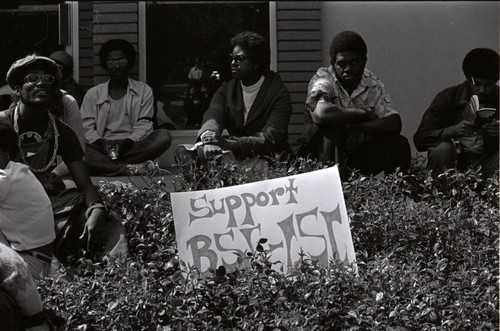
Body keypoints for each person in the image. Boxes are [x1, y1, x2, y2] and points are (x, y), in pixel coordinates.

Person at [0, 54, 128, 264]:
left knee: (107, 220)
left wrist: (96, 208)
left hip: (47, 201)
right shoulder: (2, 124)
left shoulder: (62, 132)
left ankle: (118, 279)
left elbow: (85, 184)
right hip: (7, 205)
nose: (41, 82)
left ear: (54, 91)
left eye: (48, 79)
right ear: (17, 88)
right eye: (32, 78)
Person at [295, 31, 411, 177]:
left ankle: (397, 192)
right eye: (342, 64)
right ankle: (330, 190)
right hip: (319, 154)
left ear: (364, 61)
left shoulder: (371, 83)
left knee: (399, 144)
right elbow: (322, 114)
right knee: (333, 129)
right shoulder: (323, 79)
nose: (348, 69)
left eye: (354, 62)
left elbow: (394, 123)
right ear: (332, 64)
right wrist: (363, 115)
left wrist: (353, 126)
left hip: (355, 152)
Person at [175, 31, 293, 169]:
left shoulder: (278, 93)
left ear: (256, 63)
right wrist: (209, 137)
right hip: (234, 155)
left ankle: (221, 183)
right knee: (183, 152)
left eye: (239, 58)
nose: (233, 63)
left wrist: (230, 144)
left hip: (267, 157)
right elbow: (213, 115)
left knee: (251, 165)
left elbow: (268, 139)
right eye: (232, 58)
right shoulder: (227, 89)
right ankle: (208, 189)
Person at [81, 39, 172, 176]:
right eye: (111, 62)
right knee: (79, 149)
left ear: (129, 62)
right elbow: (86, 128)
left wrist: (127, 142)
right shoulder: (93, 94)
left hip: (133, 146)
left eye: (121, 61)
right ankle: (129, 168)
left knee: (163, 136)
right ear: (106, 66)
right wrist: (102, 143)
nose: (117, 66)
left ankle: (106, 166)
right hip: (103, 147)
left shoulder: (144, 90)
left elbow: (145, 124)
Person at [414, 48, 499, 177]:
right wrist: (452, 131)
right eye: (477, 84)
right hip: (455, 162)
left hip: (488, 163)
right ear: (468, 79)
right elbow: (420, 139)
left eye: (488, 85)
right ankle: (443, 194)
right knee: (441, 150)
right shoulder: (449, 97)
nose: (482, 90)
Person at [0, 121, 55, 281]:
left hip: (30, 265)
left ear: (6, 153)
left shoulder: (6, 177)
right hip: (35, 260)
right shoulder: (16, 170)